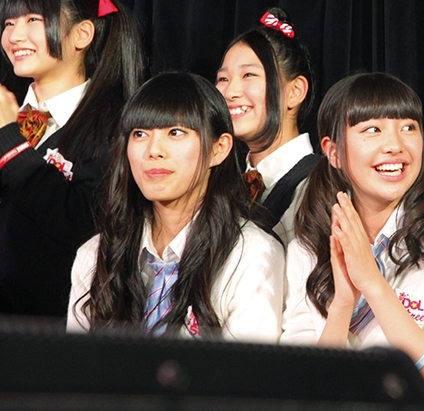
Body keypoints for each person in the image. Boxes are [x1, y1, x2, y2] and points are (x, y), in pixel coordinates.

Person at [281, 72, 424, 411]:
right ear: (333, 152)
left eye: (408, 127)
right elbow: (303, 397)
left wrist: (373, 285)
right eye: (373, 129)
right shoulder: (307, 249)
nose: (395, 145)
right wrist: (341, 305)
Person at [67, 72, 284, 341]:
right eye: (140, 134)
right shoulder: (96, 255)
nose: (154, 150)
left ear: (219, 148)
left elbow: (246, 368)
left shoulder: (251, 255)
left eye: (175, 132)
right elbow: (75, 365)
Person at [0, 0, 146, 317]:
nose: (15, 35)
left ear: (82, 34)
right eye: (8, 23)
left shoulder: (115, 125)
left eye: (33, 20)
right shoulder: (9, 107)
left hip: (48, 327)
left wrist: (9, 140)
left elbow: (86, 222)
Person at [216, 7, 318, 246]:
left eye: (248, 75)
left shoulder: (320, 186)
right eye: (223, 79)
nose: (230, 92)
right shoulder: (226, 187)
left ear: (295, 91)